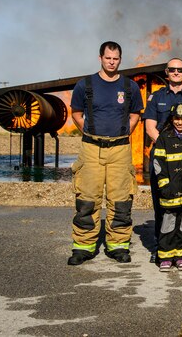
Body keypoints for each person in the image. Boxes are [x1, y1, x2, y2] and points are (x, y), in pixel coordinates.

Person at [68, 41, 144, 266]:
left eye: (116, 58)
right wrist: (91, 133)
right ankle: (83, 246)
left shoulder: (130, 87)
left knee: (121, 199)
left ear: (120, 59)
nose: (112, 62)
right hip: (91, 149)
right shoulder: (85, 85)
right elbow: (77, 113)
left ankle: (118, 245)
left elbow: (135, 115)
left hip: (120, 149)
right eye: (108, 58)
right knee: (87, 198)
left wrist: (122, 133)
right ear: (100, 58)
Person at [143, 57, 182, 262]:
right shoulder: (156, 97)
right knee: (162, 203)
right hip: (163, 157)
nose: (176, 72)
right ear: (166, 72)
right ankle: (161, 248)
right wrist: (165, 145)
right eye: (172, 70)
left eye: (180, 70)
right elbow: (150, 127)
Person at [153, 103, 182, 272]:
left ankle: (181, 255)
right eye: (177, 119)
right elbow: (158, 163)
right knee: (168, 223)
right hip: (169, 190)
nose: (180, 122)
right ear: (171, 119)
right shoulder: (164, 138)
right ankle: (165, 256)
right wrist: (164, 184)